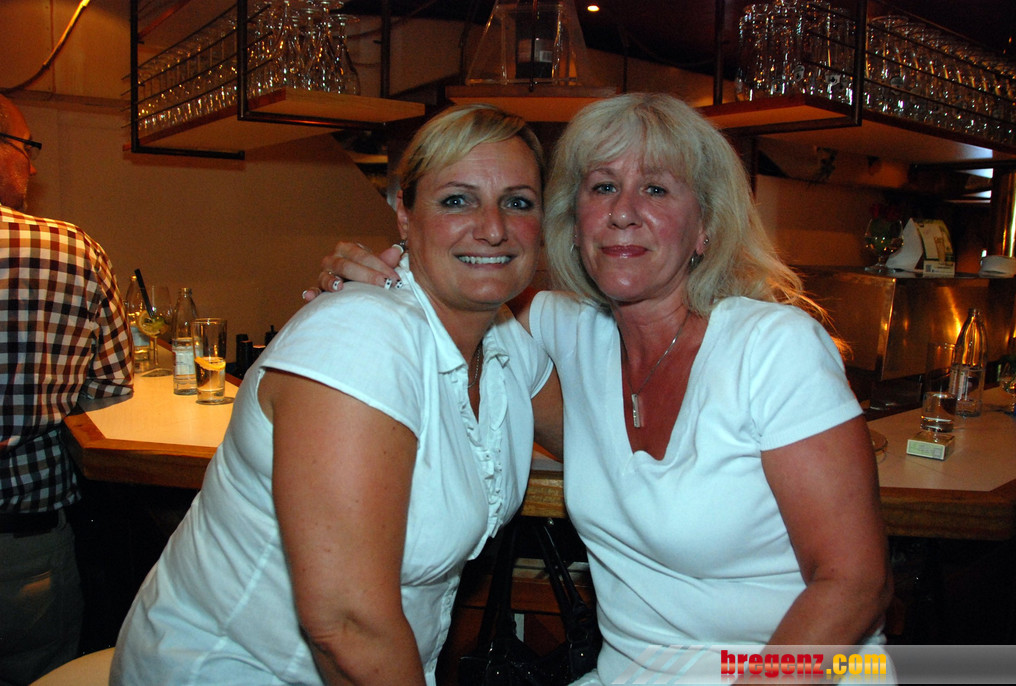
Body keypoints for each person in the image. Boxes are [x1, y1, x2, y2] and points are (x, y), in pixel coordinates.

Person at [318, 92, 893, 684]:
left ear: (705, 227)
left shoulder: (771, 346)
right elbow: (462, 278)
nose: (623, 212)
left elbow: (855, 584)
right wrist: (375, 275)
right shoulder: (565, 329)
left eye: (656, 189)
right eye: (603, 187)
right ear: (573, 224)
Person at [111, 104, 561, 686]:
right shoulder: (361, 334)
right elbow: (346, 628)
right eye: (457, 200)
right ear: (404, 216)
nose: (493, 228)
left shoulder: (504, 340)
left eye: (518, 202)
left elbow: (597, 443)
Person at [0, 94, 134, 684]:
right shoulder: (69, 249)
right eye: (25, 148)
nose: (33, 166)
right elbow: (111, 388)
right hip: (22, 547)